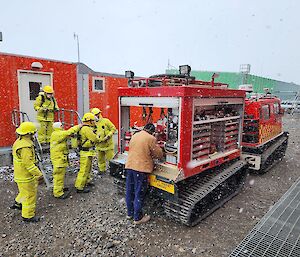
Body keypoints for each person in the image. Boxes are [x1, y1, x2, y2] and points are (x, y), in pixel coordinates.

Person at [125, 123, 163, 225]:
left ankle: (130, 213)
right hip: (141, 169)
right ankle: (137, 218)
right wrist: (161, 151)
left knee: (130, 191)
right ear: (152, 131)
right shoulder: (150, 138)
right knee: (139, 192)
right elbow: (158, 154)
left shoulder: (135, 135)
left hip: (130, 166)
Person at [11, 122, 43, 222]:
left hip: (20, 174)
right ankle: (28, 216)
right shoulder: (25, 146)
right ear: (29, 133)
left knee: (23, 192)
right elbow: (28, 164)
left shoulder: (19, 141)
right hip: (25, 176)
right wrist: (39, 174)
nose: (34, 135)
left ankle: (18, 203)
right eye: (33, 133)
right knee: (29, 195)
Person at [50, 122, 82, 199]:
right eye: (61, 126)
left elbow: (66, 135)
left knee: (60, 175)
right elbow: (68, 132)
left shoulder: (57, 134)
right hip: (58, 159)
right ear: (58, 127)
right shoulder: (57, 134)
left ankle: (60, 188)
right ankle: (58, 193)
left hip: (59, 158)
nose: (62, 126)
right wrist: (79, 126)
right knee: (58, 176)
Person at [75, 113, 99, 193]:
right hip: (86, 152)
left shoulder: (84, 128)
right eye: (93, 120)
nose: (94, 122)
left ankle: (86, 181)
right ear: (90, 121)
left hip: (86, 152)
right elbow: (94, 138)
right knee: (84, 170)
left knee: (87, 169)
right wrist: (97, 136)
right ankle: (80, 187)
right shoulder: (87, 129)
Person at [91, 108, 116, 174]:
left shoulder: (106, 121)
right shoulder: (93, 124)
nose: (95, 117)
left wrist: (108, 136)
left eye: (96, 115)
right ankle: (102, 170)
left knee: (111, 159)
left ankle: (113, 171)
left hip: (108, 145)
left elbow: (113, 128)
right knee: (100, 160)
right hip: (99, 145)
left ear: (99, 114)